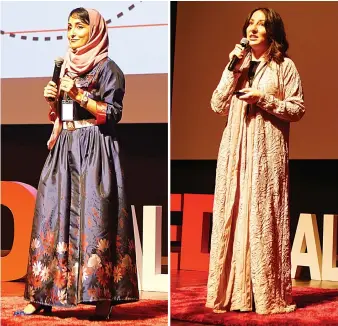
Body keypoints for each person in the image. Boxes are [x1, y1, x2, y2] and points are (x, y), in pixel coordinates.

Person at [14, 8, 139, 320]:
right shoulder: (66, 69)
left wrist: (79, 96)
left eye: (79, 28)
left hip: (95, 150)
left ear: (93, 31)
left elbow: (111, 114)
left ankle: (101, 298)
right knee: (50, 216)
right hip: (66, 150)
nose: (71, 33)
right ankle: (43, 296)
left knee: (95, 221)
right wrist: (55, 102)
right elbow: (67, 116)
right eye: (68, 27)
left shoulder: (110, 69)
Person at [206, 8, 305, 314]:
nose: (254, 28)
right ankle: (234, 294)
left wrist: (262, 98)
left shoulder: (284, 67)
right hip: (235, 153)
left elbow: (297, 108)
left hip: (266, 154)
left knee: (262, 217)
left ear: (272, 31)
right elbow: (217, 104)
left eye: (261, 24)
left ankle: (265, 296)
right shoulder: (239, 64)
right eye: (251, 22)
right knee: (233, 215)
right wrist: (232, 68)